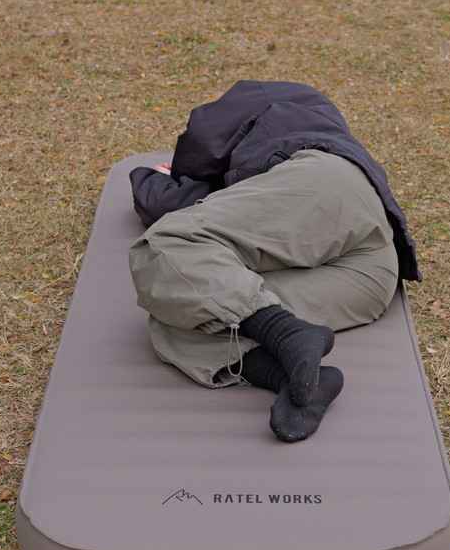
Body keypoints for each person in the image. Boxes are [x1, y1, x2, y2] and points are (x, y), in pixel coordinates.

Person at [127, 80, 421, 443]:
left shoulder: (268, 105)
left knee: (163, 245)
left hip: (327, 186)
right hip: (373, 272)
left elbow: (194, 154)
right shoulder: (267, 181)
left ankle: (286, 333)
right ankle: (296, 380)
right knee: (179, 313)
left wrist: (157, 175)